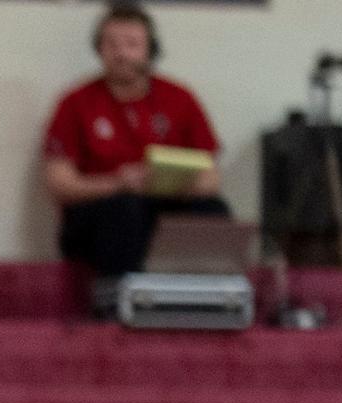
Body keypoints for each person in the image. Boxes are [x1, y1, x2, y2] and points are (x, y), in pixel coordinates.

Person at [43, 3, 228, 282]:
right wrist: (118, 183)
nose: (121, 53)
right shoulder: (75, 103)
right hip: (101, 215)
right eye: (111, 44)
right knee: (125, 207)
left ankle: (203, 298)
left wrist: (166, 183)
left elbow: (212, 179)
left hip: (166, 205)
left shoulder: (180, 98)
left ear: (150, 49)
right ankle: (120, 299)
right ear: (99, 49)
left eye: (131, 44)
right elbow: (59, 183)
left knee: (213, 209)